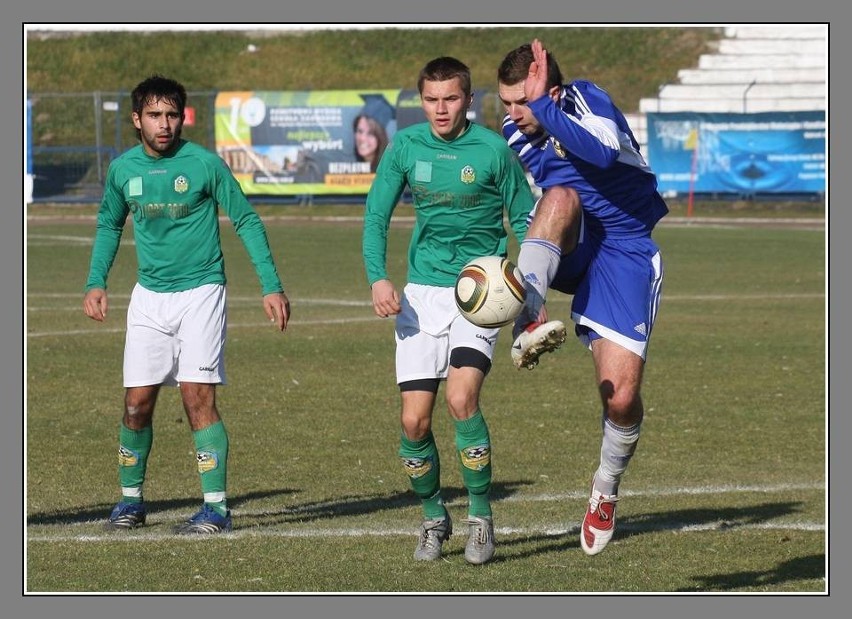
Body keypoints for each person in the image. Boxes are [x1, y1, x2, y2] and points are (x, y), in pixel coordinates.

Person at [82, 75, 291, 535]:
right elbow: (107, 226)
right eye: (155, 115)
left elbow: (247, 220)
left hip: (202, 292)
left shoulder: (204, 164)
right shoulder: (123, 171)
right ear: (137, 119)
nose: (165, 124)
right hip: (149, 298)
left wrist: (270, 285)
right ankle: (130, 502)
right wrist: (96, 282)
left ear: (183, 117)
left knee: (197, 396)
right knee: (136, 403)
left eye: (172, 115)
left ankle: (215, 508)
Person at [362, 56, 535, 564]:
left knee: (462, 399)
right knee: (414, 422)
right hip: (420, 296)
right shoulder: (406, 147)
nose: (441, 109)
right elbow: (376, 216)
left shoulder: (493, 151)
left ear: (469, 100)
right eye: (432, 100)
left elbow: (524, 217)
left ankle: (481, 518)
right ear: (422, 100)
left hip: (480, 295)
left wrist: (531, 283)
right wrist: (378, 277)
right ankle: (434, 517)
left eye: (451, 99)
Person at [497, 40, 667, 555]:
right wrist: (524, 283)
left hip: (624, 250)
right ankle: (528, 319)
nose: (513, 115)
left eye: (521, 102)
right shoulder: (517, 133)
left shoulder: (585, 100)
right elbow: (540, 200)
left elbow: (600, 150)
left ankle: (605, 487)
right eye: (505, 103)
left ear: (549, 90)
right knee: (561, 197)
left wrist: (545, 108)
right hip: (570, 237)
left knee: (620, 398)